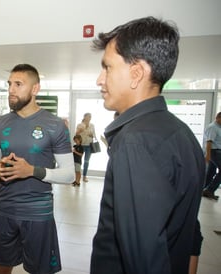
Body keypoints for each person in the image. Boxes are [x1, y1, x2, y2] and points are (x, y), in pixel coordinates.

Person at [89, 16, 205, 274]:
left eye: (107, 67)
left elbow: (143, 258)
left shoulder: (136, 142)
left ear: (136, 73)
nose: (99, 79)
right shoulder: (179, 132)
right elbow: (188, 227)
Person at [0, 64, 75, 274]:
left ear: (35, 89)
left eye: (18, 84)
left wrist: (33, 171)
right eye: (9, 84)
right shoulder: (0, 123)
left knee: (40, 270)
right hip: (4, 209)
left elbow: (69, 174)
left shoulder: (55, 125)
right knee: (3, 267)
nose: (11, 90)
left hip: (38, 212)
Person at [202, 112, 221, 200]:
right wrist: (208, 155)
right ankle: (209, 190)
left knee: (211, 171)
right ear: (218, 118)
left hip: (216, 151)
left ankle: (202, 189)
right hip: (213, 152)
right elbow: (209, 142)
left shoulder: (218, 127)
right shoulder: (213, 127)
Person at [75, 113, 95, 182]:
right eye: (88, 116)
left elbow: (94, 136)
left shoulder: (92, 125)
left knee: (86, 161)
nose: (89, 118)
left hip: (89, 145)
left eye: (90, 117)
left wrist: (91, 135)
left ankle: (84, 176)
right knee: (78, 162)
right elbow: (76, 134)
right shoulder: (80, 125)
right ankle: (77, 176)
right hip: (81, 145)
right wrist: (81, 130)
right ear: (84, 117)